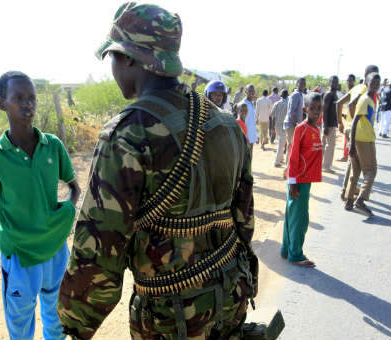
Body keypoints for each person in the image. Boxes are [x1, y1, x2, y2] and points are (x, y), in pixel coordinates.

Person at [57, 4, 257, 339]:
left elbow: (100, 252)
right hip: (230, 296)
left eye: (113, 58)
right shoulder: (225, 123)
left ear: (131, 58)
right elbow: (244, 220)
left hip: (174, 319)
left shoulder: (128, 133)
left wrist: (74, 325)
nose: (113, 69)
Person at [0, 71, 81, 340]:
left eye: (31, 97)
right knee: (20, 328)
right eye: (18, 97)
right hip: (20, 256)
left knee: (57, 321)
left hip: (56, 251)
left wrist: (65, 215)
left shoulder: (52, 146)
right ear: (1, 103)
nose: (27, 103)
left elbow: (74, 187)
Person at [283, 93, 323, 267]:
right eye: (312, 108)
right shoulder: (301, 128)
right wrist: (292, 181)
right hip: (298, 180)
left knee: (292, 216)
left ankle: (287, 249)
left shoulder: (316, 128)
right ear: (305, 109)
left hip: (306, 180)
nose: (316, 111)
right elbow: (292, 156)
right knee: (300, 218)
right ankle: (296, 255)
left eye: (319, 108)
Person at [337, 65, 379, 201]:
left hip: (350, 128)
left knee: (353, 162)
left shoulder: (355, 88)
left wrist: (341, 122)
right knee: (354, 165)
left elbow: (339, 103)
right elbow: (351, 105)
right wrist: (358, 119)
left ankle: (347, 193)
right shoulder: (365, 90)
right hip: (357, 130)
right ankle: (347, 192)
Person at [345, 72, 380, 217]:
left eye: (378, 84)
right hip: (364, 139)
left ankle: (349, 201)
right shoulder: (365, 99)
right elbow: (355, 121)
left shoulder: (368, 99)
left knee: (356, 172)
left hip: (361, 138)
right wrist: (352, 144)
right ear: (367, 83)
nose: (376, 86)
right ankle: (360, 200)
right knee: (371, 171)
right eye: (373, 83)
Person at [284, 78, 307, 173]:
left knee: (293, 147)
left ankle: (290, 169)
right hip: (292, 125)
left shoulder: (300, 95)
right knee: (291, 147)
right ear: (297, 84)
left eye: (304, 83)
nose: (302, 85)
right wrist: (298, 124)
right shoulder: (296, 94)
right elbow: (291, 112)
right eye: (301, 83)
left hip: (294, 125)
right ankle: (287, 170)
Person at [322, 76, 339, 172]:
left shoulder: (334, 94)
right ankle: (326, 166)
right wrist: (326, 126)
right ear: (330, 82)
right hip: (329, 125)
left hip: (332, 124)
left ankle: (323, 165)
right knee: (330, 146)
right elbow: (324, 111)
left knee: (325, 145)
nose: (335, 84)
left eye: (336, 82)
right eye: (333, 82)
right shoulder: (329, 95)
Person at [337, 74, 356, 162]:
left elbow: (340, 103)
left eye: (350, 80)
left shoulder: (354, 92)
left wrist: (340, 121)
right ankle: (347, 155)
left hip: (352, 122)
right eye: (347, 80)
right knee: (347, 140)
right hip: (348, 120)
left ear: (354, 81)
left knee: (348, 140)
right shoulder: (350, 91)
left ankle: (346, 156)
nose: (348, 82)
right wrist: (345, 116)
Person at [272, 89, 290, 167]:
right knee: (281, 144)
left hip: (277, 126)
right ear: (287, 95)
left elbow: (273, 117)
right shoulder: (288, 104)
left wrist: (272, 127)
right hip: (284, 126)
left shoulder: (276, 104)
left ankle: (281, 158)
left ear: (281, 95)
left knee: (281, 142)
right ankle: (277, 161)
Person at [241, 84, 259, 153]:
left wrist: (255, 136)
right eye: (250, 91)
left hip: (251, 137)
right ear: (245, 92)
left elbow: (252, 121)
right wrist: (245, 137)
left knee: (249, 158)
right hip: (246, 138)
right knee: (245, 159)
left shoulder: (251, 103)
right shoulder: (243, 104)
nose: (252, 93)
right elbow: (241, 122)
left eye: (253, 91)